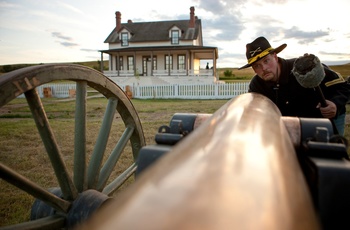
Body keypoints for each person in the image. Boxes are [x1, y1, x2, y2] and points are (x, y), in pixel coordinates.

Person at [239, 36, 350, 135]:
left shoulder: (302, 67)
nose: (264, 68)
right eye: (257, 66)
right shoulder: (256, 86)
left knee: (333, 152)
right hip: (294, 126)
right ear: (253, 69)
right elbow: (254, 111)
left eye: (266, 61)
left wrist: (336, 104)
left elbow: (343, 86)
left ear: (275, 57)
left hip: (327, 119)